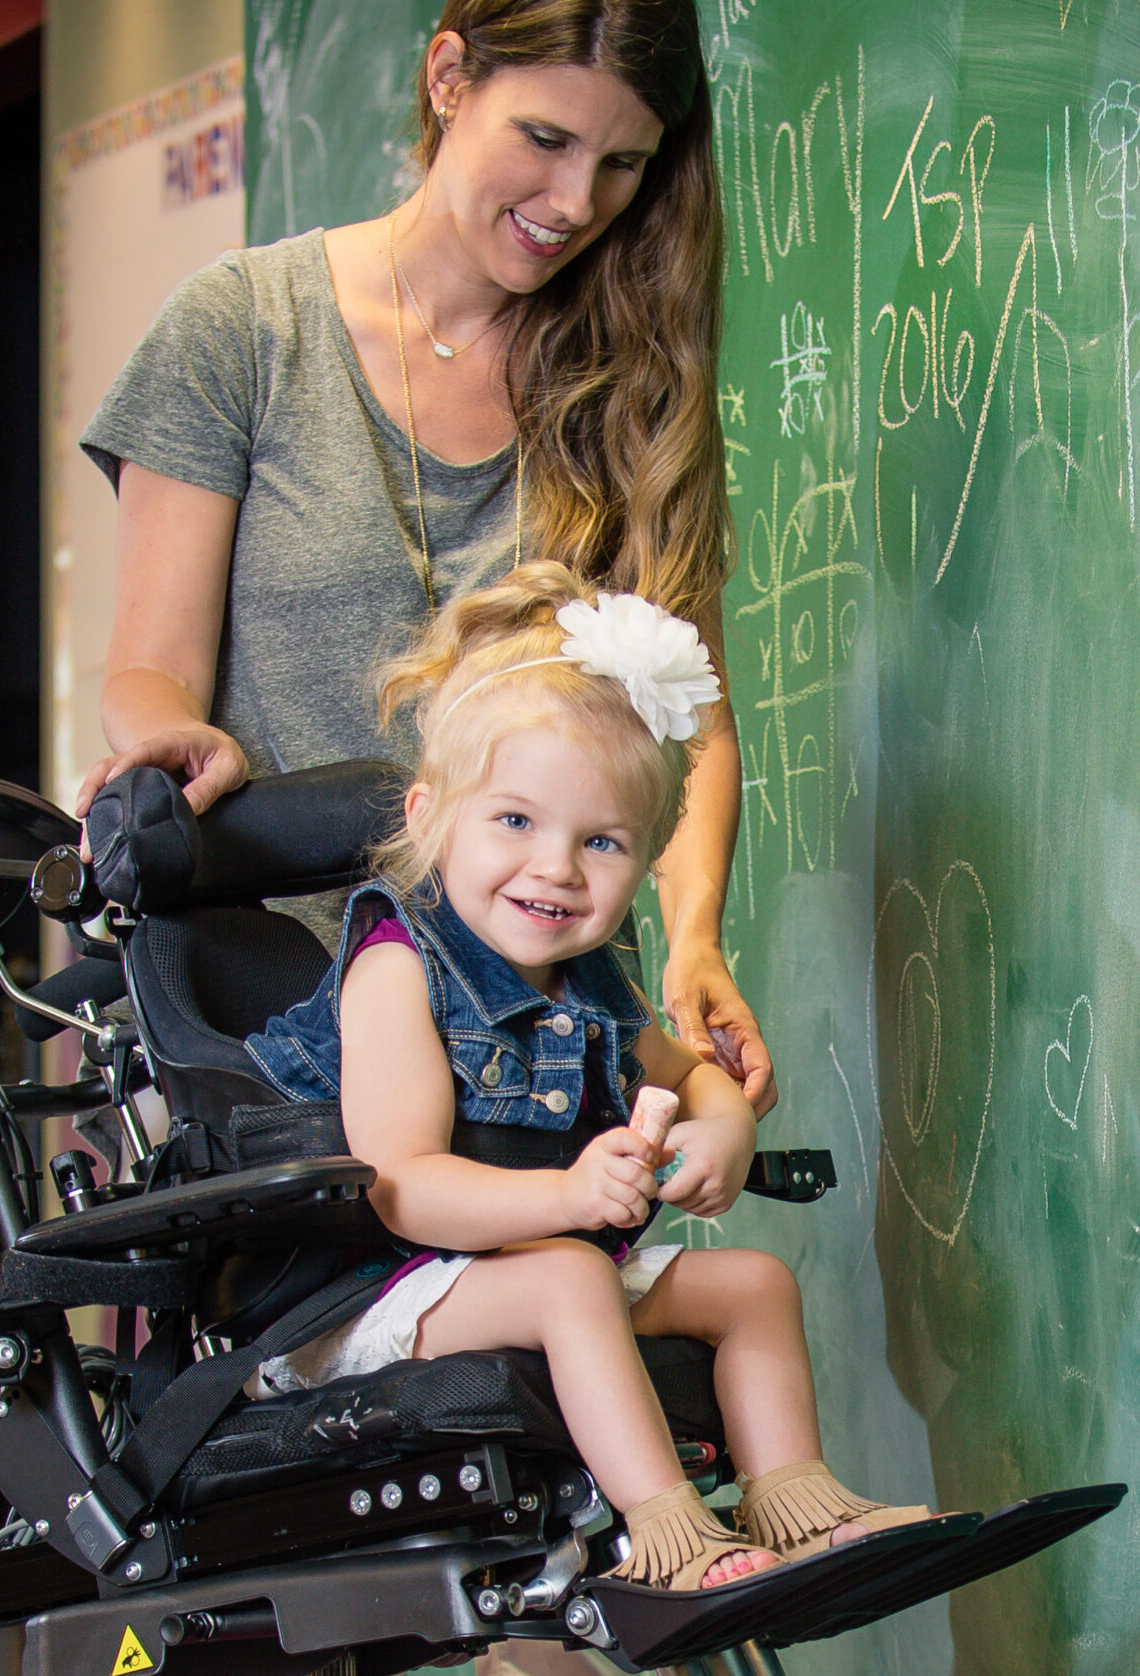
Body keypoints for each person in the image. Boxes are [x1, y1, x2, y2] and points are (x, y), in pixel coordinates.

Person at [77, 0, 769, 1676]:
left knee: (567, 1557)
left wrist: (688, 940)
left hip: (537, 1041)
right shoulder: (245, 328)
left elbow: (684, 714)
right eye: (542, 139)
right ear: (447, 71)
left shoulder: (620, 367)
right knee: (331, 1585)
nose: (573, 202)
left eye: (619, 167)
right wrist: (171, 743)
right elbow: (145, 662)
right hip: (311, 1059)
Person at [245, 567, 927, 1589]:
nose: (556, 867)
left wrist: (726, 1125)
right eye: (514, 822)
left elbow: (691, 1077)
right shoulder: (398, 968)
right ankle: (671, 1534)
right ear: (434, 816)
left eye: (601, 842)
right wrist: (569, 1195)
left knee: (753, 1284)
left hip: (526, 1278)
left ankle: (798, 1505)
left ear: (646, 855)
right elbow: (401, 1186)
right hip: (369, 1301)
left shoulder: (590, 982)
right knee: (571, 1276)